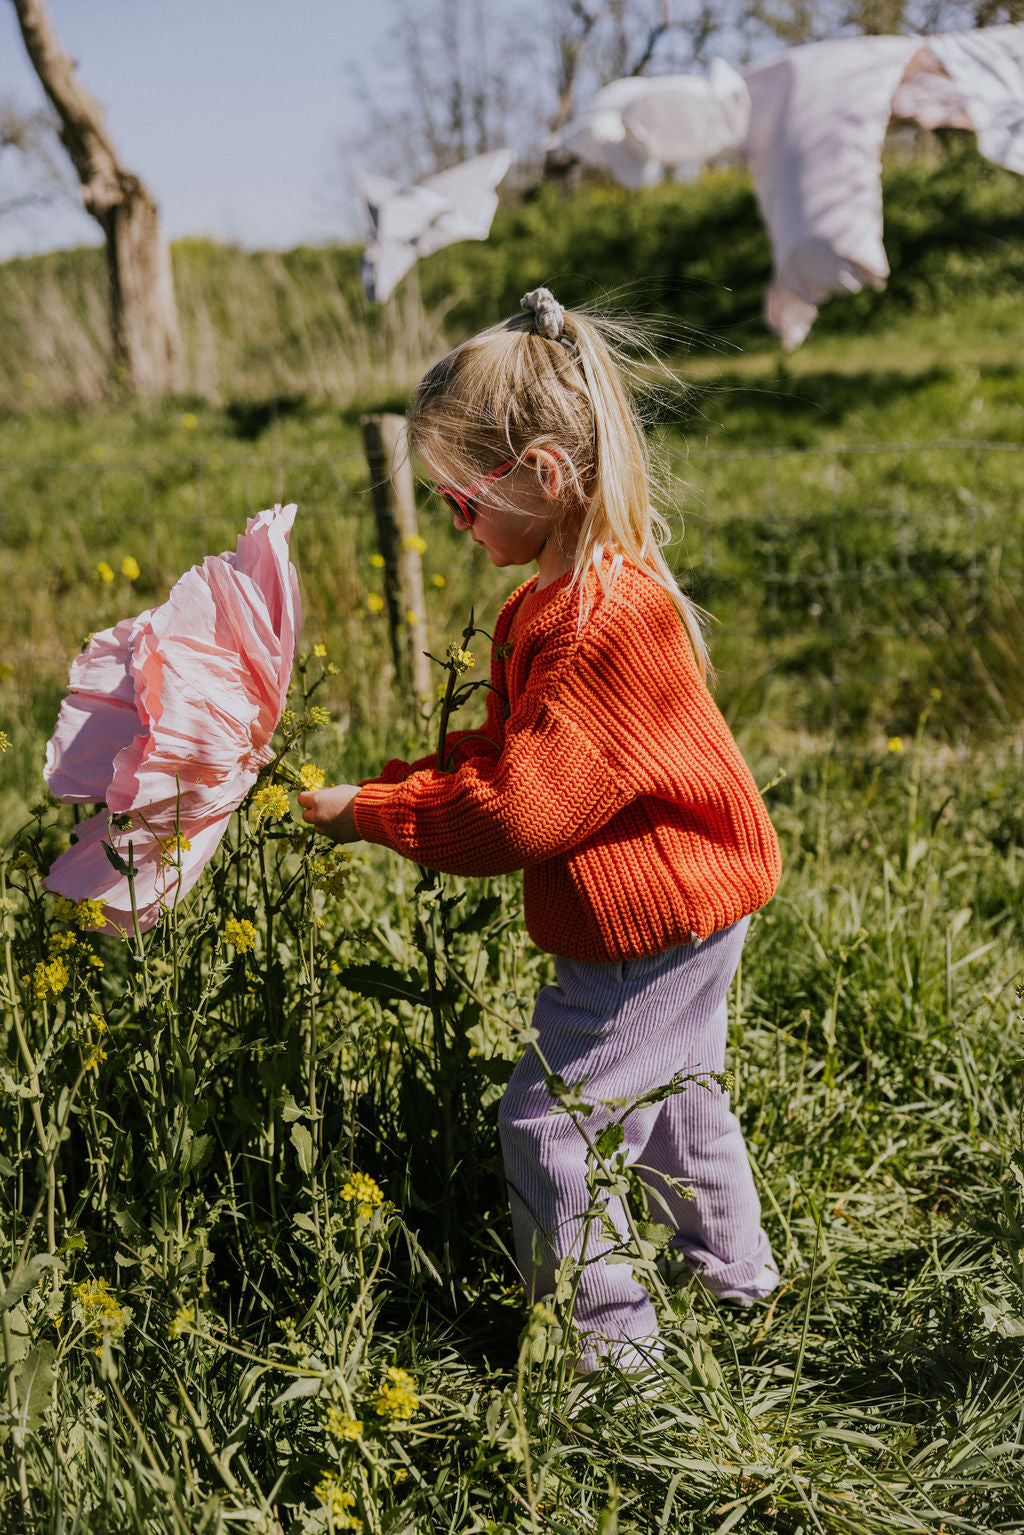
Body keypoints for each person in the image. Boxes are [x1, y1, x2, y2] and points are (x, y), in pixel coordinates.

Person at [298, 288, 782, 1374]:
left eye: (462, 503)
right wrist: (390, 783)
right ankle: (737, 1284)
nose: (455, 526)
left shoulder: (598, 623)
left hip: (648, 919)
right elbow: (507, 755)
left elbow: (522, 808)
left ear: (545, 476)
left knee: (551, 1121)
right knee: (675, 1096)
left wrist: (373, 817)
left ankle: (613, 1362)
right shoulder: (547, 603)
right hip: (688, 897)